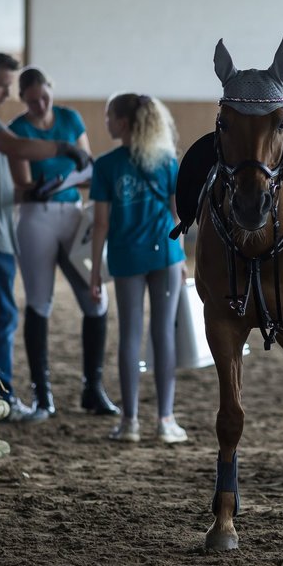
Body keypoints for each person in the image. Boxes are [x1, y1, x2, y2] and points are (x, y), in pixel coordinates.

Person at [0, 50, 93, 423]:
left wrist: (31, 191)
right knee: (1, 315)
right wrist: (64, 148)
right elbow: (15, 148)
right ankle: (2, 396)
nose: (7, 94)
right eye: (3, 85)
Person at [6, 67, 119, 418]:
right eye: (32, 100)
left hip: (71, 211)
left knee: (95, 298)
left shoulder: (70, 119)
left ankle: (93, 387)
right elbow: (23, 183)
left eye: (44, 97)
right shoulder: (17, 130)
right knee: (40, 301)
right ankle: (43, 393)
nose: (40, 105)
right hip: (36, 215)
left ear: (51, 92)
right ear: (22, 99)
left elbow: (87, 168)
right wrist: (41, 185)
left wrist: (75, 175)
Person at [88, 93, 188, 445]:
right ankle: (166, 419)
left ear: (124, 123)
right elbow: (178, 215)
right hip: (166, 253)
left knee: (130, 333)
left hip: (126, 255)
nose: (106, 122)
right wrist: (183, 257)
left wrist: (95, 271)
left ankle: (130, 421)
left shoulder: (105, 165)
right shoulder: (166, 161)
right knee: (163, 334)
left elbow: (100, 223)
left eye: (109, 116)